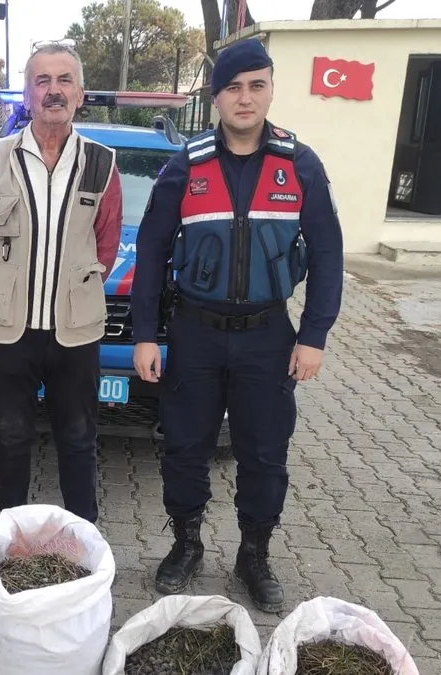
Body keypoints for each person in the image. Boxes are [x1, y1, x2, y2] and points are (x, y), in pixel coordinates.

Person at [131, 38, 344, 610]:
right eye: (233, 87)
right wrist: (146, 334)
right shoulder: (187, 165)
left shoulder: (300, 165)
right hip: (195, 334)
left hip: (268, 337)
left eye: (256, 85)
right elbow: (151, 252)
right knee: (184, 447)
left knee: (264, 452)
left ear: (271, 88)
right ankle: (187, 544)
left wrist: (314, 336)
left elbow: (327, 255)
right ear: (216, 96)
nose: (245, 98)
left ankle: (254, 554)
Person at [0, 42, 122, 524]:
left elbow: (105, 244)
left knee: (78, 438)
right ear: (26, 96)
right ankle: (12, 536)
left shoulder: (101, 163)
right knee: (10, 437)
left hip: (75, 332)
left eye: (64, 80)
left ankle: (81, 537)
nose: (53, 90)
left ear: (80, 93)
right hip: (10, 332)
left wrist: (78, 290)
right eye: (41, 81)